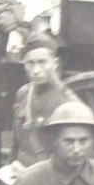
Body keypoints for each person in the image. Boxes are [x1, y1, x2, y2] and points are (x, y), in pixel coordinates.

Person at [8, 32, 79, 167]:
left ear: (55, 63)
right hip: (20, 176)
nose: (36, 70)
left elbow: (74, 157)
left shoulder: (68, 103)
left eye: (42, 62)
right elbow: (15, 143)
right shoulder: (23, 94)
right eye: (30, 63)